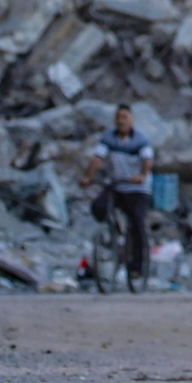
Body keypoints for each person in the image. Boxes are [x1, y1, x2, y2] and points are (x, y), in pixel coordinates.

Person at [79, 104, 155, 286]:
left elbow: (147, 160)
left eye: (125, 117)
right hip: (117, 185)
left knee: (137, 222)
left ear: (131, 119)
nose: (121, 121)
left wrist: (142, 176)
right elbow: (97, 158)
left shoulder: (140, 139)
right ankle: (114, 233)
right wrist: (87, 177)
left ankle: (136, 267)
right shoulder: (108, 138)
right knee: (98, 207)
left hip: (137, 189)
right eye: (119, 117)